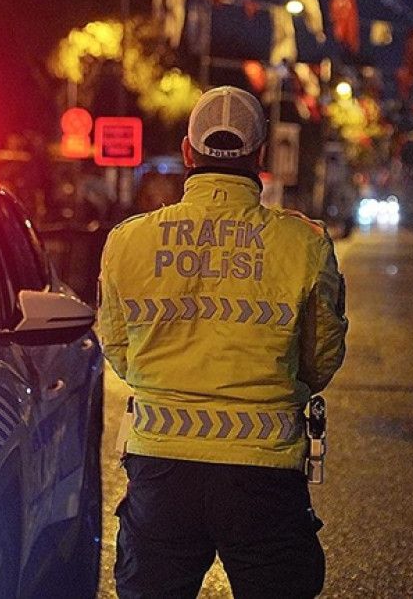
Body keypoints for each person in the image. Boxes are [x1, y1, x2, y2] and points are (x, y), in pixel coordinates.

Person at [96, 86, 348, 598]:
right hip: (265, 474)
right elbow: (321, 359)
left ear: (189, 153)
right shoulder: (304, 244)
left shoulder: (129, 241)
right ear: (259, 157)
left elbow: (118, 348)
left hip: (161, 470)